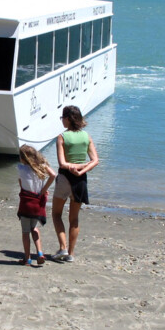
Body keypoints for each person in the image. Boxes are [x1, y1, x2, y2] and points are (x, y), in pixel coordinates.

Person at [51, 105, 99, 263]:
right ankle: (71, 253)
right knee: (74, 218)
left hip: (65, 178)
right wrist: (82, 169)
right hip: (80, 180)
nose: (62, 121)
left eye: (62, 118)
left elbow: (62, 163)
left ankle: (62, 246)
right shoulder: (87, 136)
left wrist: (73, 167)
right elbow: (95, 160)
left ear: (67, 119)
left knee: (56, 214)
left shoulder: (62, 137)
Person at [17, 144, 56, 266]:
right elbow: (53, 175)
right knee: (34, 228)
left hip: (26, 203)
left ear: (23, 158)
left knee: (25, 232)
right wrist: (43, 190)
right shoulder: (42, 167)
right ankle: (39, 253)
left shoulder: (21, 168)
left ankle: (27, 258)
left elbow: (21, 183)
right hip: (38, 202)